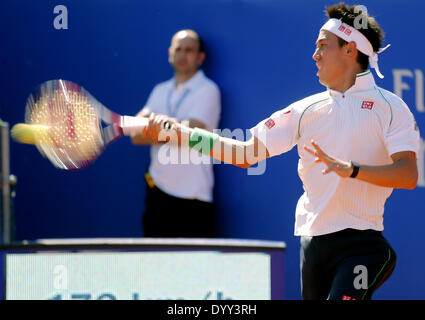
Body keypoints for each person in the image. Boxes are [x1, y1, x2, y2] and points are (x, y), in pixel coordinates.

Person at [146, 4, 419, 300]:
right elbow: (246, 153)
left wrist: (352, 170)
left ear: (350, 50)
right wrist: (184, 134)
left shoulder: (391, 107)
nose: (315, 56)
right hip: (313, 246)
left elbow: (407, 174)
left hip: (362, 247)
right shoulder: (304, 111)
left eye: (323, 47)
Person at [131, 29, 221, 238]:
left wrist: (154, 129)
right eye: (178, 49)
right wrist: (174, 129)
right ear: (170, 53)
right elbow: (136, 134)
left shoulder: (208, 90)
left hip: (193, 199)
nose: (183, 54)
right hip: (156, 196)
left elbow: (189, 133)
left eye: (189, 50)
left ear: (200, 57)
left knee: (194, 270)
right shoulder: (159, 90)